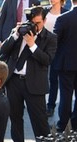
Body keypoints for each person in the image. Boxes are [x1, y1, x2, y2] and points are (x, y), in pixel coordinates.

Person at [0, 6, 57, 142]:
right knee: (15, 116)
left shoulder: (50, 38)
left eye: (37, 23)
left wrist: (32, 45)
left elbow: (47, 60)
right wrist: (15, 35)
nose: (34, 26)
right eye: (31, 22)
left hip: (34, 84)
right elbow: (2, 51)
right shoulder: (19, 32)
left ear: (44, 20)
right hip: (14, 81)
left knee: (40, 120)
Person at [54, 0, 77, 131]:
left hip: (66, 64)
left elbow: (55, 41)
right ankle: (75, 123)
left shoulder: (63, 19)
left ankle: (62, 125)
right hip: (67, 63)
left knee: (65, 95)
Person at [45, 0, 68, 117]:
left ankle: (61, 108)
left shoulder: (66, 13)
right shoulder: (45, 12)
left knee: (62, 80)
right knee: (52, 79)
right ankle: (50, 106)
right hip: (47, 50)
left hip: (61, 51)